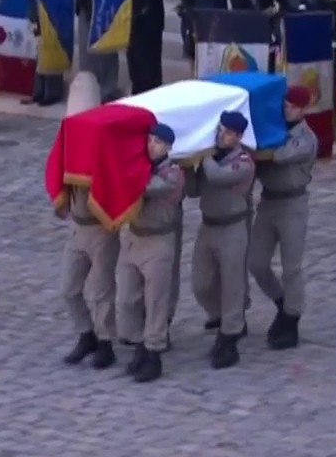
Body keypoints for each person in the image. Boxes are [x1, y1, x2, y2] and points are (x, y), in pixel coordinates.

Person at [248, 87, 318, 350]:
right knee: (256, 262)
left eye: (292, 106)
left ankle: (292, 318)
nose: (287, 109)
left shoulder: (305, 138)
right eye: (285, 105)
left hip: (293, 204)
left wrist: (258, 147)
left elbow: (280, 156)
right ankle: (281, 302)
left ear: (302, 110)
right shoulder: (274, 131)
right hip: (268, 201)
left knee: (292, 267)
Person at [116, 123, 186, 383]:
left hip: (159, 240)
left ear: (168, 146)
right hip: (134, 237)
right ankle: (138, 345)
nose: (151, 145)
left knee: (155, 300)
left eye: (157, 142)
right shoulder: (142, 167)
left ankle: (154, 353)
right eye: (149, 140)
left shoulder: (173, 174)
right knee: (127, 298)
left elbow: (147, 187)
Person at [189, 111, 255, 369]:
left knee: (232, 283)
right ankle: (223, 316)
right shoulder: (212, 160)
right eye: (220, 130)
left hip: (232, 227)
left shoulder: (243, 161)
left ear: (238, 136)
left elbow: (218, 176)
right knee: (201, 283)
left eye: (227, 132)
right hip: (208, 226)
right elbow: (194, 190)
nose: (221, 135)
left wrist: (202, 154)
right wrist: (189, 167)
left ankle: (230, 336)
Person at [58, 182, 120, 370]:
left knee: (102, 290)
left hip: (101, 228)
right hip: (78, 227)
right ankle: (86, 334)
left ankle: (105, 342)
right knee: (69, 288)